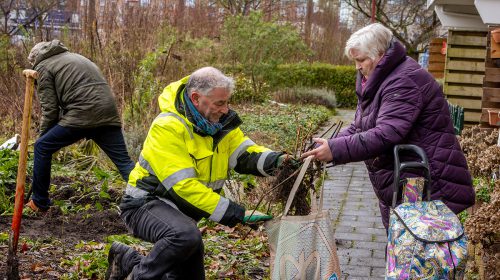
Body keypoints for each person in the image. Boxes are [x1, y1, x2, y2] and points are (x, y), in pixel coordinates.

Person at [106, 67, 287, 280]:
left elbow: (246, 154)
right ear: (195, 98)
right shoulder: (168, 127)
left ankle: (127, 260)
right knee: (184, 236)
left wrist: (278, 161)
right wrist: (236, 213)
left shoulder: (219, 126)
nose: (226, 109)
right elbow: (184, 186)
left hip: (182, 215)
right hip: (144, 205)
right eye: (220, 103)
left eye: (227, 102)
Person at [302, 23, 475, 230]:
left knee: (414, 251)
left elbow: (387, 133)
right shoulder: (379, 79)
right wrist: (330, 144)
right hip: (401, 177)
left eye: (361, 60)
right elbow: (361, 126)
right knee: (401, 248)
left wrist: (336, 149)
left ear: (381, 55)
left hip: (420, 181)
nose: (357, 66)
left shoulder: (404, 81)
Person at [26, 40, 135, 212]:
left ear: (35, 59)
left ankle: (39, 203)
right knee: (124, 163)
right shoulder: (75, 57)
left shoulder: (43, 67)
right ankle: (155, 198)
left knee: (41, 147)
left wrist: (44, 136)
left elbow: (50, 110)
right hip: (108, 112)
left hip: (83, 113)